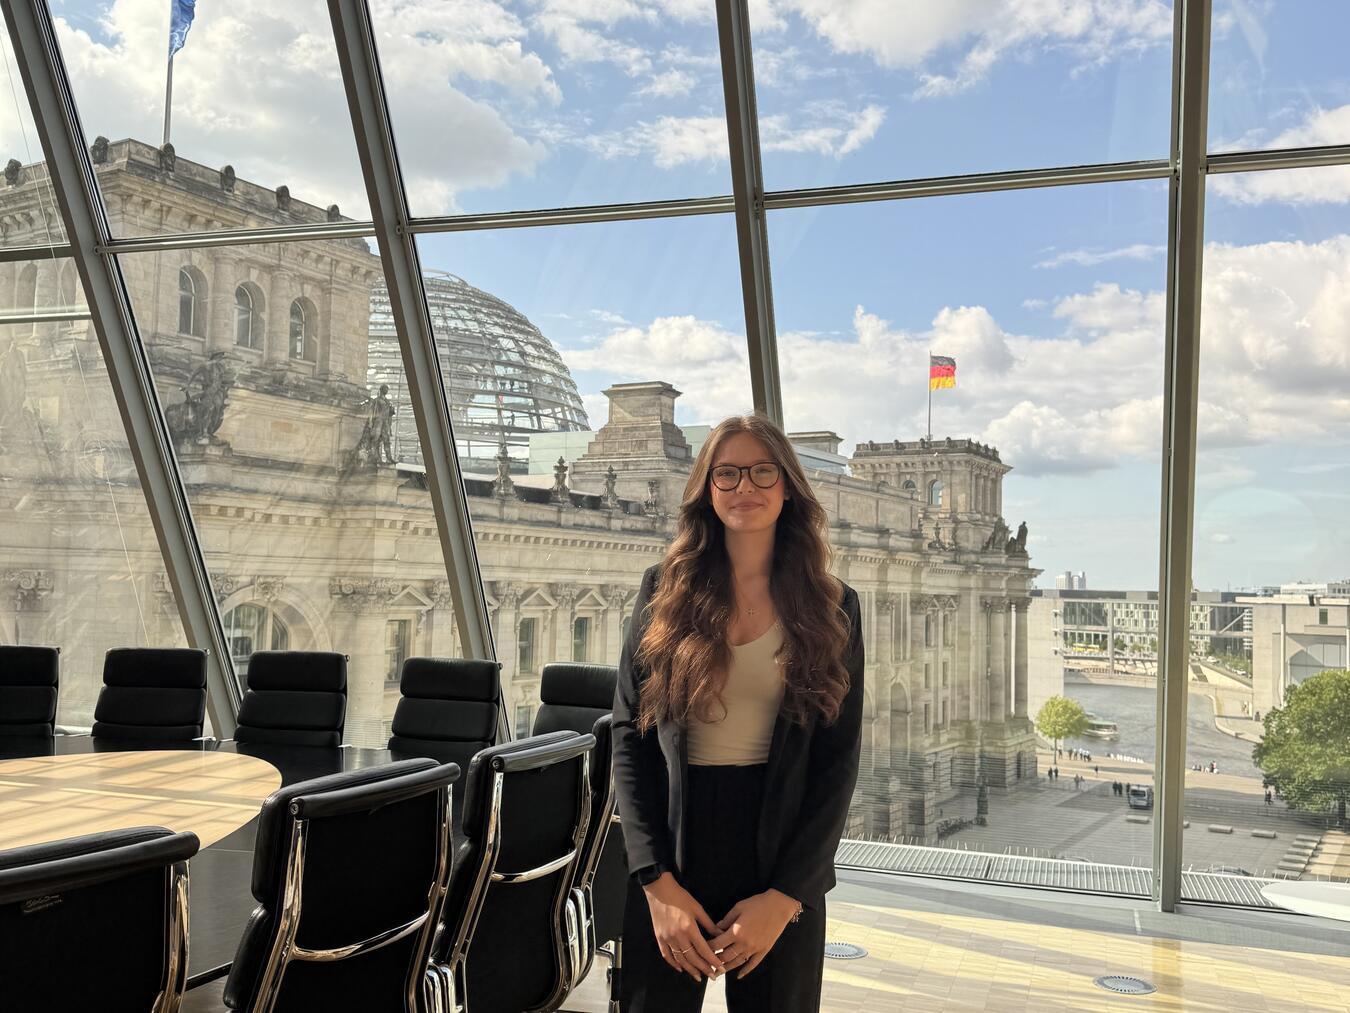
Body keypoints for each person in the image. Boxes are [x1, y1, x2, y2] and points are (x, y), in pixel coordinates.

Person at [612, 412, 864, 1013]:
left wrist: (786, 896)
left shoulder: (835, 605)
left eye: (761, 472)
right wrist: (656, 882)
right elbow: (630, 735)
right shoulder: (663, 590)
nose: (743, 487)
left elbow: (837, 761)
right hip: (677, 840)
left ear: (788, 487)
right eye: (726, 474)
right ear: (706, 488)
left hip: (780, 849)